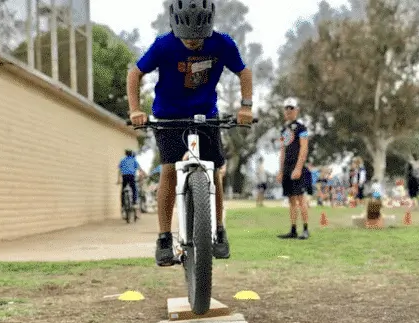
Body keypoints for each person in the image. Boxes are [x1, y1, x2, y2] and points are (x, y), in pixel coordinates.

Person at [126, 0, 254, 266]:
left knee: (214, 170)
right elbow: (135, 74)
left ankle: (219, 230)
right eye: (187, 38)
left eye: (199, 38)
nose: (193, 42)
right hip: (169, 116)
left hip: (205, 115)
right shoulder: (164, 45)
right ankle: (164, 238)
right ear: (175, 28)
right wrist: (135, 110)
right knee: (169, 171)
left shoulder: (222, 43)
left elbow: (244, 73)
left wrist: (246, 107)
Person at [276, 97, 310, 240]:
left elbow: (304, 148)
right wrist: (281, 171)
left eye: (291, 108)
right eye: (286, 108)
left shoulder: (302, 128)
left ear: (297, 110)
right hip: (287, 168)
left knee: (300, 199)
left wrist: (298, 168)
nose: (289, 111)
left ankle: (306, 229)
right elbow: (282, 150)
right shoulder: (284, 130)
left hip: (297, 167)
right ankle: (293, 229)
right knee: (291, 199)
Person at [117, 149, 147, 213]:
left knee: (123, 190)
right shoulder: (134, 160)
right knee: (134, 189)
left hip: (124, 177)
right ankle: (134, 202)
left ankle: (122, 205)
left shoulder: (122, 160)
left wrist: (118, 179)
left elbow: (119, 170)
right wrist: (145, 174)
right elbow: (140, 169)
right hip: (131, 176)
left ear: (126, 154)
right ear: (131, 154)